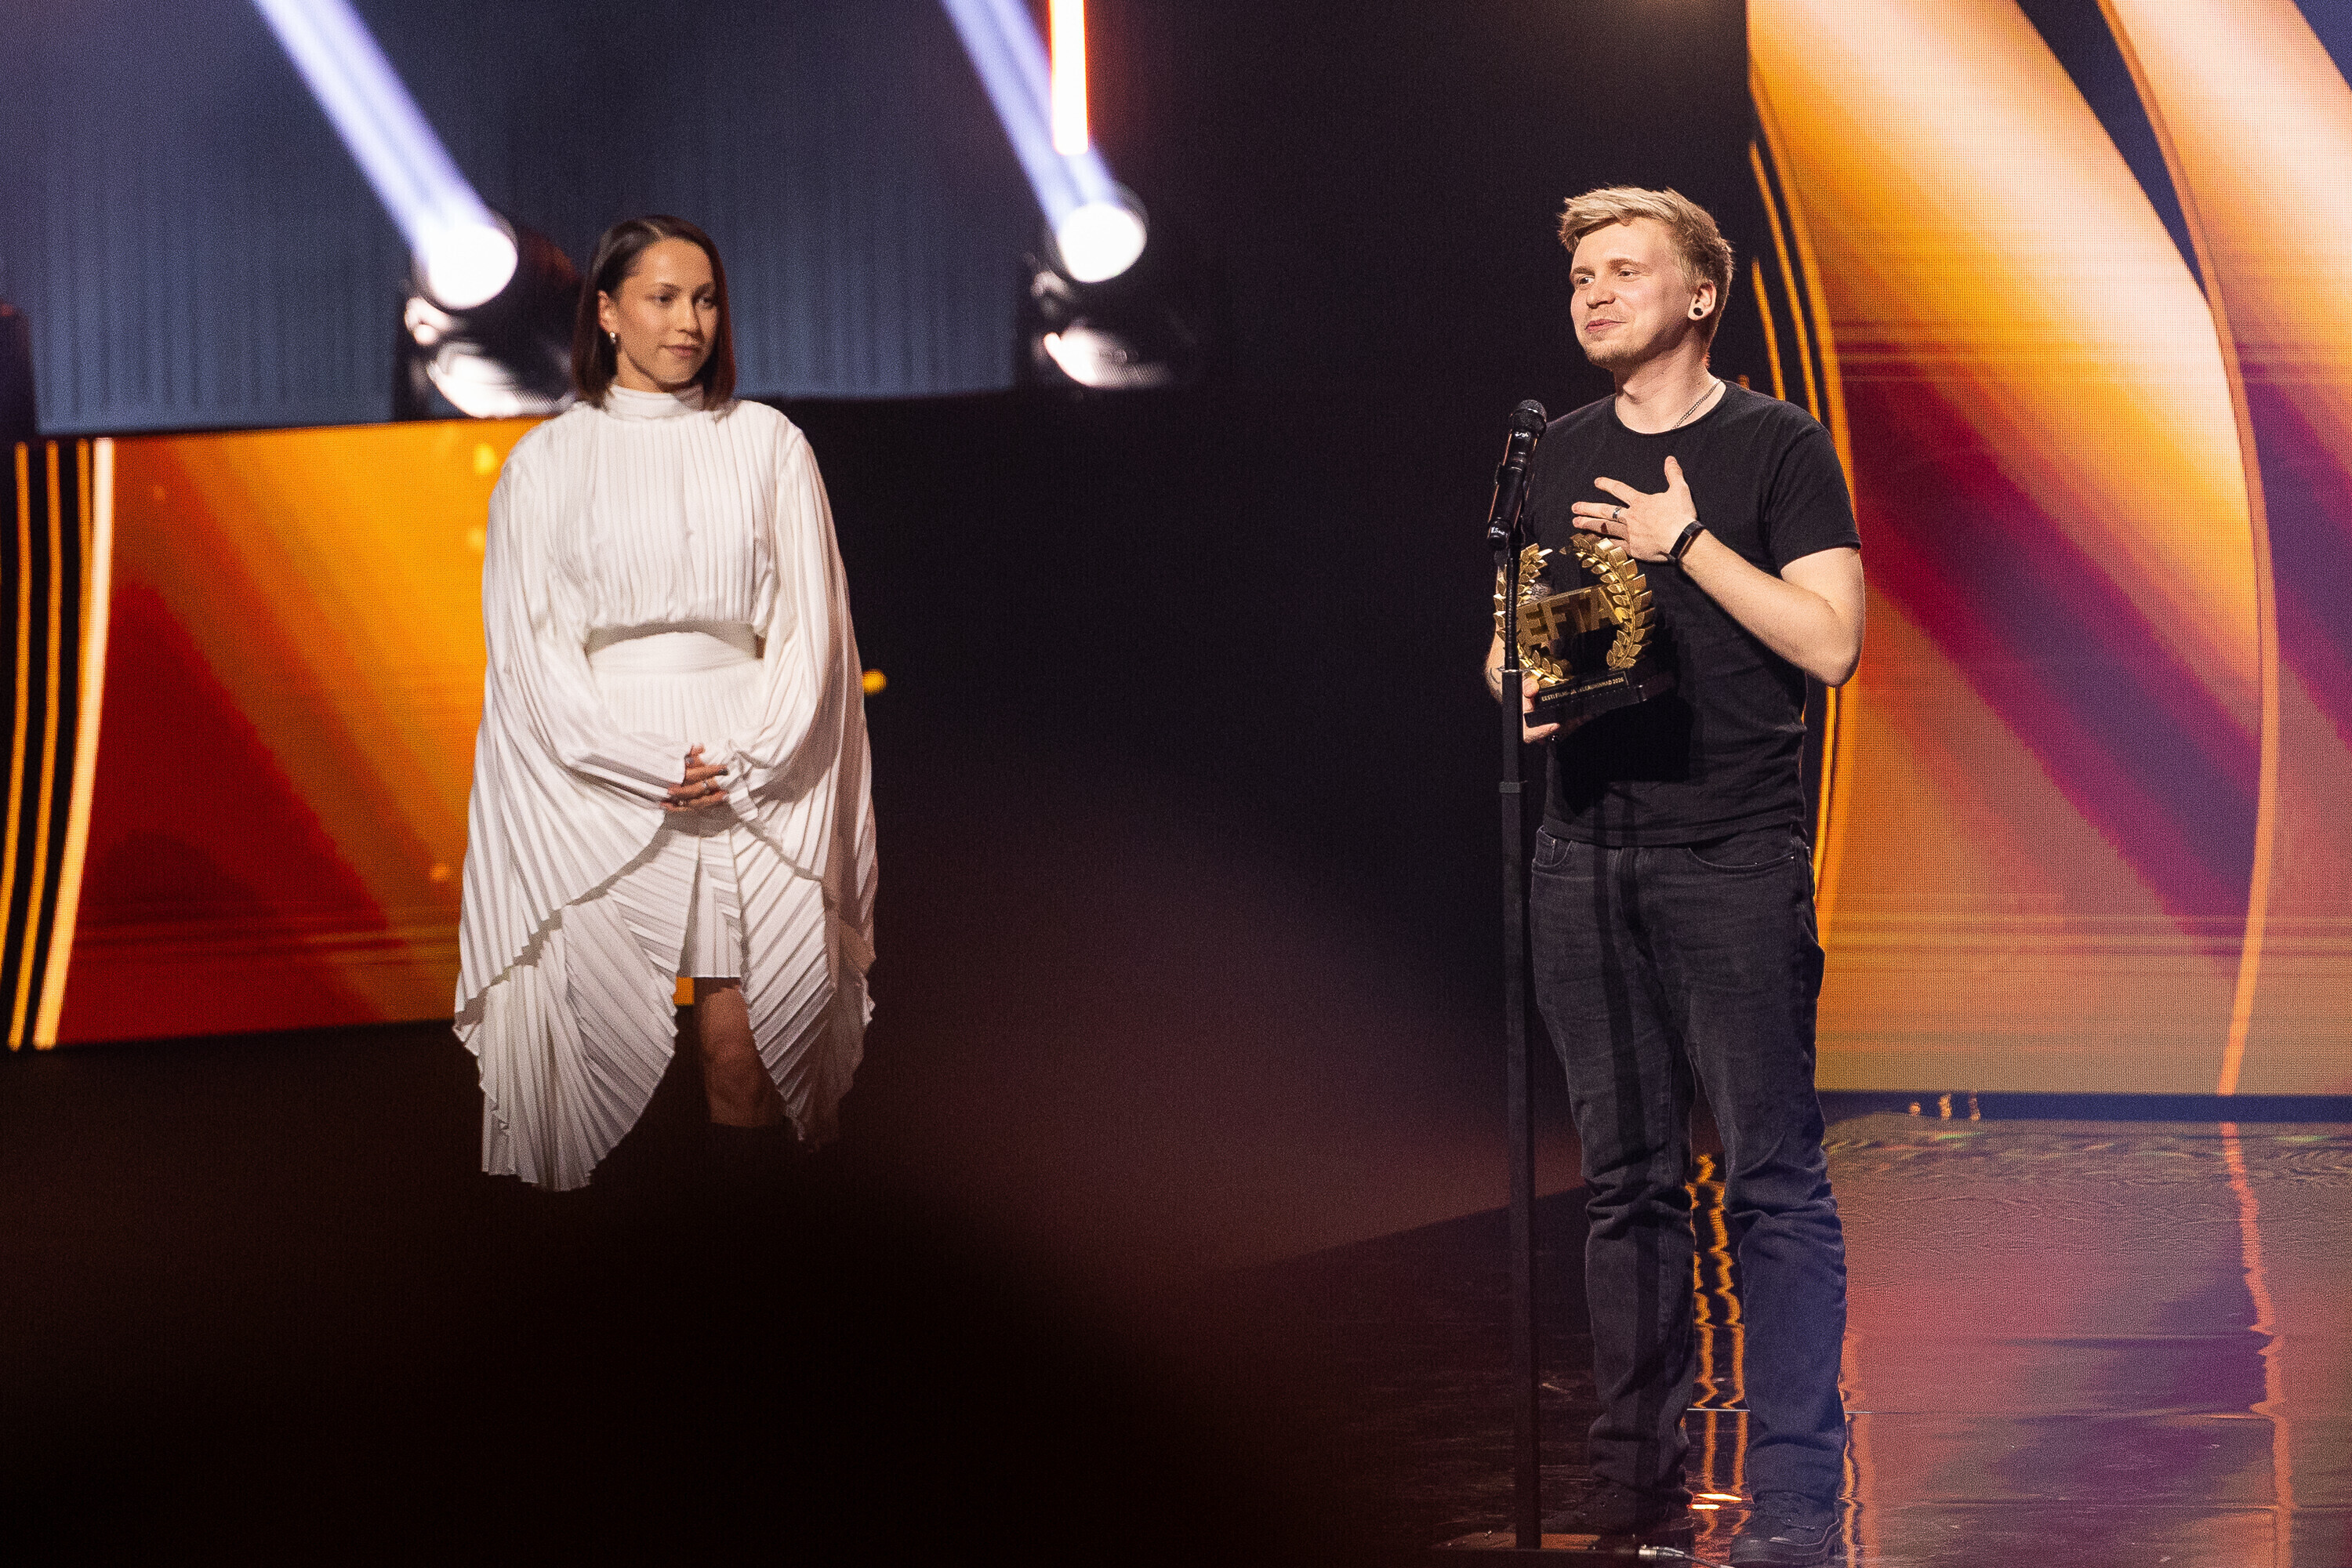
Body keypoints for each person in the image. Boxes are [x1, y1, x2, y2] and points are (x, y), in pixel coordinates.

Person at [1483, 187, 1863, 1567]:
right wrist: (1521, 681)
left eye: (1624, 268)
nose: (1593, 290)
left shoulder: (1777, 445)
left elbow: (1831, 644)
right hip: (1584, 859)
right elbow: (1519, 642)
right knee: (1626, 1186)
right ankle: (1635, 1488)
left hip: (1732, 859)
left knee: (1769, 1180)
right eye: (1581, 272)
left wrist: (1688, 544)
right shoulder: (1556, 450)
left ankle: (1799, 1496)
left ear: (1701, 295)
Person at [453, 216, 877, 1192]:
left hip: (751, 766)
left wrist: (751, 760)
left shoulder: (768, 443)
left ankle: (745, 1281)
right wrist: (640, 763)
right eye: (664, 298)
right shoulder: (546, 462)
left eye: (706, 299)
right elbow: (530, 651)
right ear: (606, 312)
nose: (691, 322)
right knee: (584, 1060)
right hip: (599, 777)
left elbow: (814, 629)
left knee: (747, 1057)